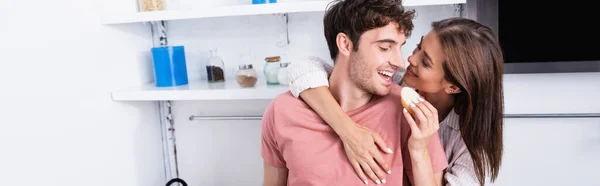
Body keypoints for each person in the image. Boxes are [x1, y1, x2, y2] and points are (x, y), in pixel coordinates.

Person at [285, 17, 505, 186]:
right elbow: (302, 69)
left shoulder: (475, 147)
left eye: (425, 62)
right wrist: (348, 131)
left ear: (453, 87)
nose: (409, 59)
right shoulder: (399, 84)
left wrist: (419, 150)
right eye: (419, 47)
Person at [261, 0, 449, 185]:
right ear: (345, 44)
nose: (400, 62)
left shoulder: (410, 114)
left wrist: (419, 151)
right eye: (385, 47)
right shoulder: (282, 111)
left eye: (400, 47)